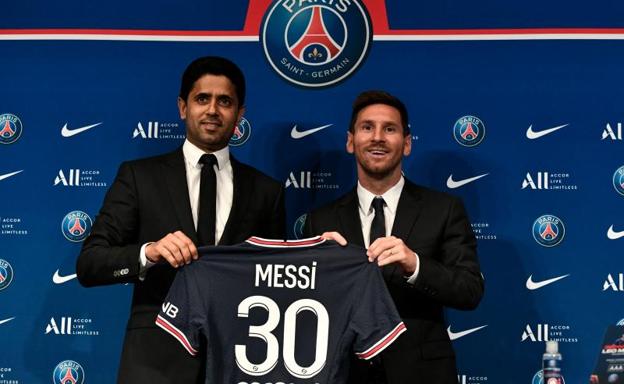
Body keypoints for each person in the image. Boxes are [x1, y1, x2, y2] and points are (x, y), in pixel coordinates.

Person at [76, 56, 286, 383]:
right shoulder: (138, 177)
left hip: (239, 360)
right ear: (183, 107)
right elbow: (90, 264)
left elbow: (277, 281)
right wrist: (149, 252)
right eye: (202, 99)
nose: (213, 110)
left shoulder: (267, 191)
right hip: (155, 362)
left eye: (225, 101)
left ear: (240, 114)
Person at [303, 90, 484, 383]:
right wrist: (322, 271)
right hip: (346, 372)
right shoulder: (320, 220)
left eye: (390, 129)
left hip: (422, 373)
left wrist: (415, 265)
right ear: (351, 141)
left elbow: (470, 290)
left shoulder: (443, 209)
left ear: (407, 143)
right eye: (367, 127)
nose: (377, 137)